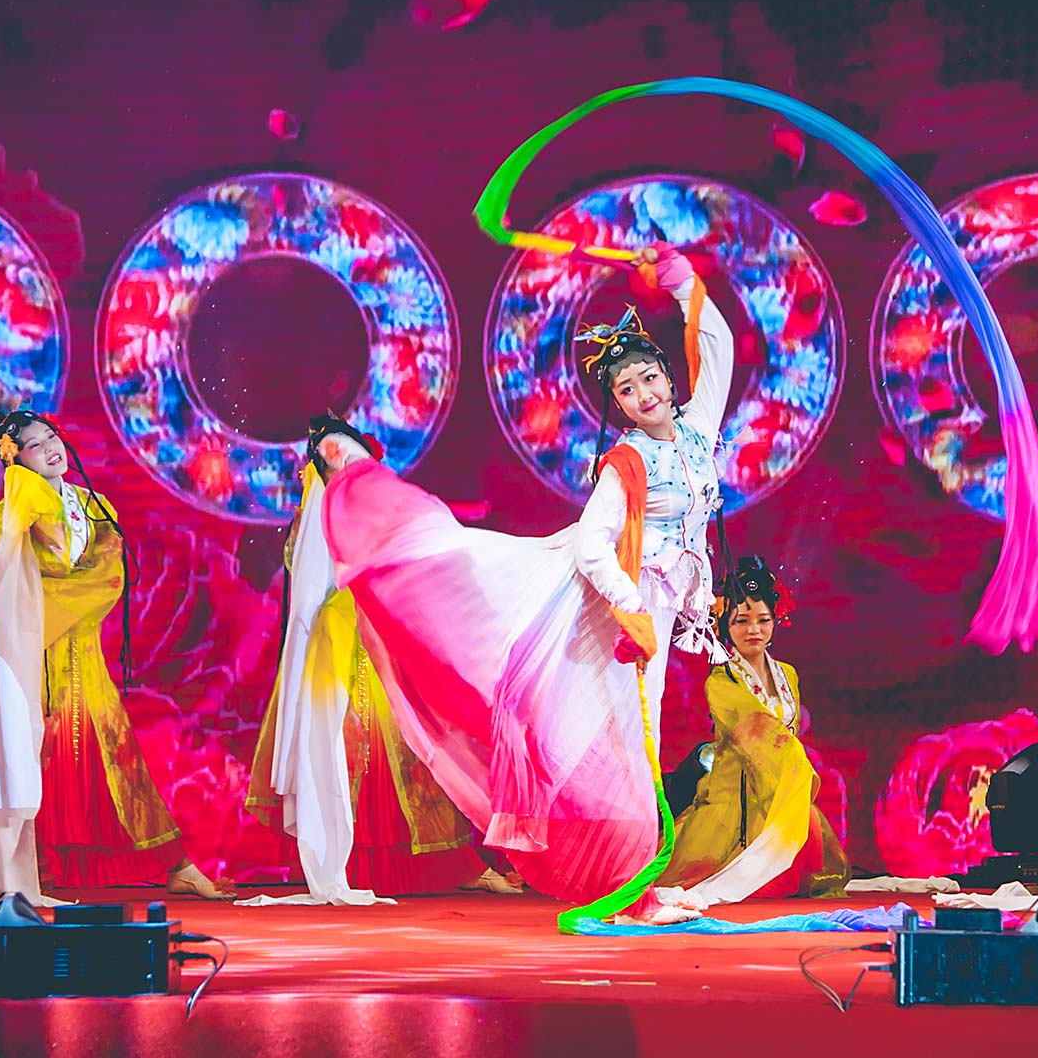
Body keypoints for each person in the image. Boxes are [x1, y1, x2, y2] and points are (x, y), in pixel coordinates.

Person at [313, 242, 731, 925]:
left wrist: (683, 285)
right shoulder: (626, 462)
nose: (645, 394)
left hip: (653, 604)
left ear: (666, 375)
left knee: (631, 739)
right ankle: (631, 887)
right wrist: (629, 607)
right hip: (610, 608)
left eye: (651, 378)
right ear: (618, 405)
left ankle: (631, 884)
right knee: (617, 742)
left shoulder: (697, 429)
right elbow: (594, 546)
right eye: (628, 391)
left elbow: (716, 348)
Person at [0, 409, 228, 904]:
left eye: (52, 436)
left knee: (113, 757)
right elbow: (52, 562)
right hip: (30, 653)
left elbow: (108, 574)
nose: (51, 448)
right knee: (32, 757)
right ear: (15, 461)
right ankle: (33, 873)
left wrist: (63, 602)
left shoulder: (97, 506)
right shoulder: (7, 514)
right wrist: (27, 493)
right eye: (34, 445)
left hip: (78, 648)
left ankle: (177, 864)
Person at [245, 423, 515, 902]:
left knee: (403, 745)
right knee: (360, 746)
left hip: (374, 629)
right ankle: (368, 862)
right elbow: (311, 583)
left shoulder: (365, 498)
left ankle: (442, 862)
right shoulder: (326, 501)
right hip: (345, 635)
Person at [658, 555, 846, 904]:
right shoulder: (722, 679)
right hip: (735, 801)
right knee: (718, 881)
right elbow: (756, 731)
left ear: (776, 621)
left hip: (780, 792)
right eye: (741, 621)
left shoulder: (787, 674)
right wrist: (794, 767)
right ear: (725, 627)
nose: (753, 630)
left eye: (763, 620)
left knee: (806, 870)